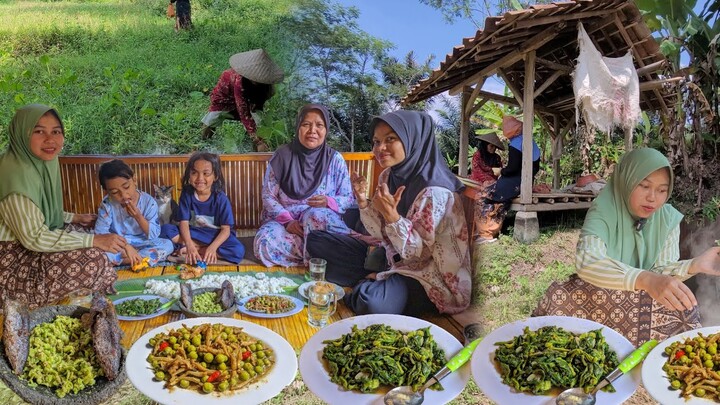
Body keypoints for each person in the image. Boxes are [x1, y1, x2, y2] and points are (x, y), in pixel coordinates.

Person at [534, 148, 720, 345]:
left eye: (662, 190)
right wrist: (645, 279)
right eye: (644, 186)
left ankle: (656, 362)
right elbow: (588, 262)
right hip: (600, 295)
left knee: (682, 306)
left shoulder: (667, 217)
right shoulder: (604, 209)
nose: (652, 198)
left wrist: (695, 264)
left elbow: (661, 273)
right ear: (627, 181)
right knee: (559, 296)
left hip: (643, 300)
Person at [306, 110, 472, 316]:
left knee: (370, 303)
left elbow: (415, 254)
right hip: (391, 256)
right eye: (376, 141)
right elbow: (379, 233)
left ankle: (372, 281)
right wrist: (362, 201)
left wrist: (393, 217)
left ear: (413, 140)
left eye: (390, 139)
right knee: (316, 240)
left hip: (428, 276)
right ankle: (376, 276)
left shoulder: (434, 191)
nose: (380, 148)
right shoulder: (388, 175)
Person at [0, 104, 125, 308]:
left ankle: (84, 293)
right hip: (11, 262)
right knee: (91, 259)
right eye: (39, 131)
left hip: (27, 244)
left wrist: (72, 217)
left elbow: (37, 211)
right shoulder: (14, 174)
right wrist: (94, 240)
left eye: (56, 132)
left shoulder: (35, 162)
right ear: (21, 134)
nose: (50, 140)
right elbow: (34, 237)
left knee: (87, 229)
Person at [253, 104, 356, 267]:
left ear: (326, 130)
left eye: (319, 125)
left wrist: (328, 202)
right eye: (306, 124)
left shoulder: (334, 159)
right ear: (298, 127)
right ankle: (319, 257)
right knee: (264, 241)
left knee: (317, 216)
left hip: (318, 226)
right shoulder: (282, 157)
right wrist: (288, 221)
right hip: (286, 224)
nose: (312, 130)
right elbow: (268, 196)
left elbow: (348, 198)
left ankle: (313, 253)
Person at [160, 152, 244, 264]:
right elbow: (183, 223)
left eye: (206, 173)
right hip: (193, 233)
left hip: (214, 235)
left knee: (238, 250)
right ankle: (193, 248)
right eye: (194, 172)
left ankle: (200, 250)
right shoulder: (187, 194)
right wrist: (189, 244)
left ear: (216, 176)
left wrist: (212, 247)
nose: (200, 178)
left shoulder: (221, 198)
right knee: (165, 230)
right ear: (189, 174)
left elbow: (226, 230)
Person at [201, 49, 284, 152]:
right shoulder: (239, 81)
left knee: (257, 123)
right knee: (212, 119)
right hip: (225, 97)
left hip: (248, 99)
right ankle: (203, 142)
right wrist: (258, 141)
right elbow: (243, 113)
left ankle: (254, 149)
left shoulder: (266, 85)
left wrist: (257, 134)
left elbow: (261, 100)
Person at [95, 159, 174, 268]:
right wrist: (126, 246)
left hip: (143, 242)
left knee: (168, 245)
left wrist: (138, 216)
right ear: (107, 191)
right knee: (97, 252)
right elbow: (100, 234)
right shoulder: (107, 204)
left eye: (126, 187)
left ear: (135, 180)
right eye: (114, 192)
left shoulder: (148, 202)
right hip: (119, 245)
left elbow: (154, 234)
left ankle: (128, 259)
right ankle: (139, 259)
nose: (123, 195)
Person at [475, 116, 541, 244]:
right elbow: (534, 167)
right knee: (491, 194)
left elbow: (512, 168)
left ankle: (488, 233)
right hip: (525, 181)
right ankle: (486, 230)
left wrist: (502, 171)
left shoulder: (516, 143)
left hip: (515, 181)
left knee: (489, 195)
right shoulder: (529, 141)